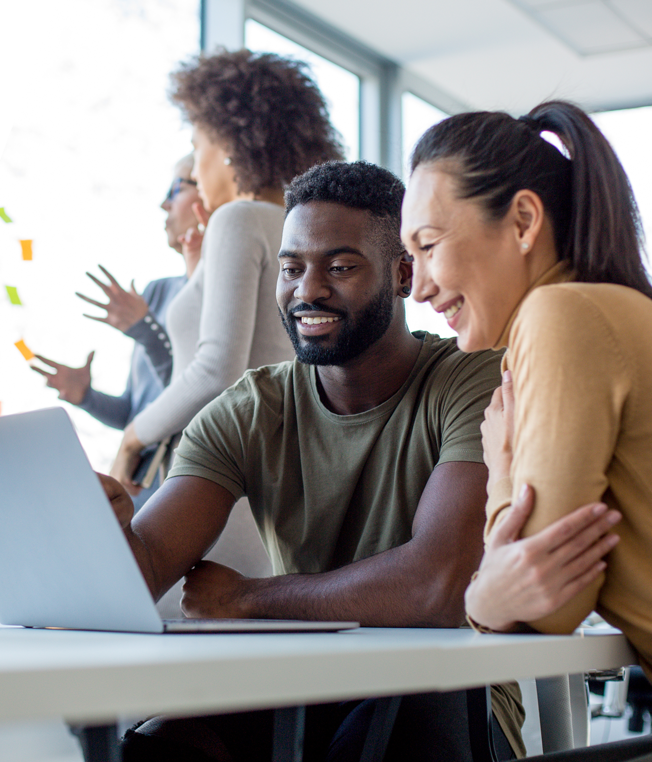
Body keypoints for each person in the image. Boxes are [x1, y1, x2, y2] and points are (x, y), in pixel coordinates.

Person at [100, 161, 525, 761]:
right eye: (292, 268)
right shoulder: (251, 407)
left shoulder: (472, 381)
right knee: (163, 746)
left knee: (382, 729)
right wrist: (104, 532)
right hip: (300, 690)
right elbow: (144, 568)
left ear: (403, 274)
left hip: (446, 694)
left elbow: (437, 588)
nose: (308, 290)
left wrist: (250, 599)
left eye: (342, 267)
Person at [401, 100, 652, 696]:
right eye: (408, 258)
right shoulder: (608, 311)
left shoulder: (559, 314)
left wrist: (502, 462)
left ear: (522, 221)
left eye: (430, 245)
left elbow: (549, 605)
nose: (416, 288)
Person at [109, 49, 344, 494]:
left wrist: (131, 437)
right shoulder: (302, 227)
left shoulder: (238, 220)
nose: (196, 167)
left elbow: (217, 369)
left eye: (198, 148)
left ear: (231, 143)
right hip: (271, 466)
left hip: (216, 474)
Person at [32, 154, 204, 509]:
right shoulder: (156, 291)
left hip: (180, 481)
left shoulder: (219, 296)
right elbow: (135, 412)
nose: (164, 203)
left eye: (176, 188)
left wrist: (145, 330)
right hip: (139, 483)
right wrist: (87, 397)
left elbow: (196, 389)